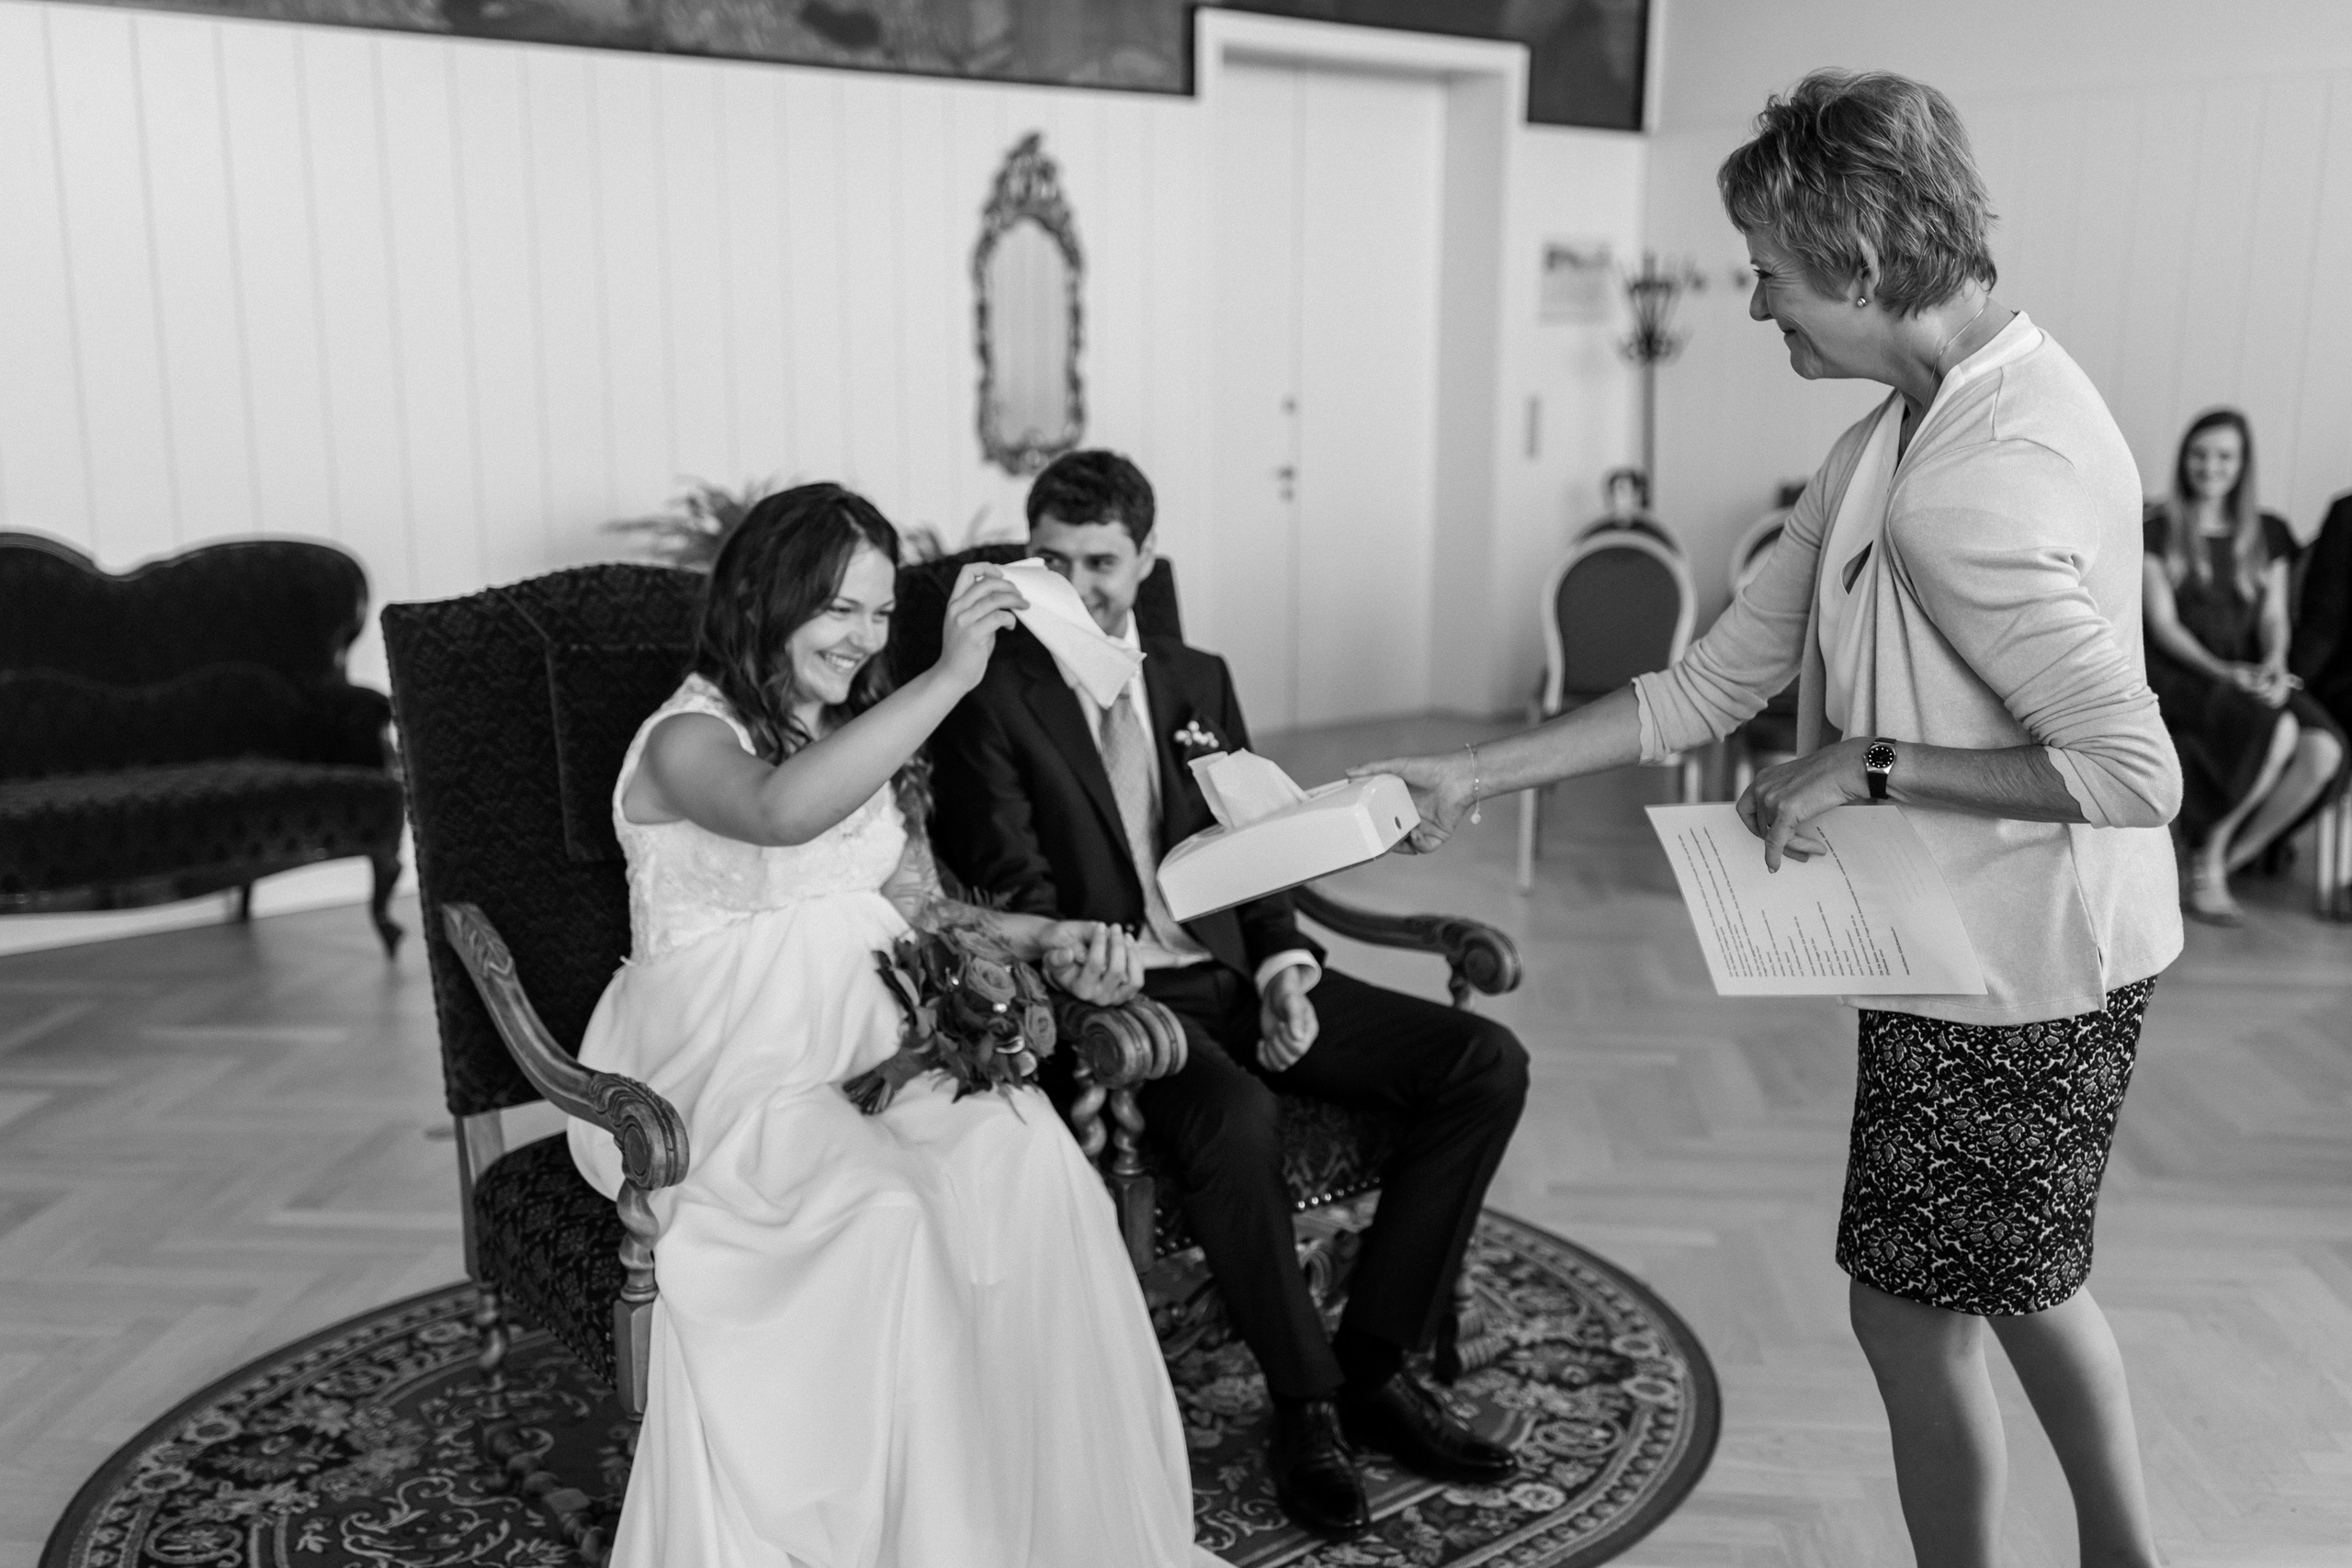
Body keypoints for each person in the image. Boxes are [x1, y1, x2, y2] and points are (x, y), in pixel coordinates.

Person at [1360, 72, 2179, 1568]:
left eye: (1773, 274)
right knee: (2008, 1287)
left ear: (1863, 266)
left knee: (1946, 1300)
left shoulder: (1972, 485)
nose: (1754, 307)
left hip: (2024, 967)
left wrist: (1868, 766)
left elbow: (2138, 772)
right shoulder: (1904, 433)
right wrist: (1467, 777)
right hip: (1966, 946)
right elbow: (1712, 681)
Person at [565, 483, 1227, 1568]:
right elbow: (783, 817)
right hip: (728, 1073)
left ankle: (1023, 1529)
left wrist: (1047, 934)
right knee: (888, 1220)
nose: (863, 637)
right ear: (763, 599)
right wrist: (949, 673)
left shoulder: (850, 731)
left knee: (1033, 1171)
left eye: (879, 614)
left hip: (877, 1046)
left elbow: (920, 908)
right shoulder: (687, 735)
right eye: (838, 609)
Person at [926, 450, 1528, 1540]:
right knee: (1233, 1115)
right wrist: (1076, 963)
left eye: (1099, 561)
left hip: (1227, 975)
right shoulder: (994, 695)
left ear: (1144, 559)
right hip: (1105, 1001)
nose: (1075, 584)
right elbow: (1008, 882)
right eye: (1049, 560)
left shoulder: (1195, 673)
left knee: (1482, 1065)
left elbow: (1260, 844)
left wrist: (1284, 970)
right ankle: (1306, 1407)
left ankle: (1373, 1369)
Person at [2143, 410, 2345, 923]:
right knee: (2277, 733)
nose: (2211, 467)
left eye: (2224, 456)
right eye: (2200, 454)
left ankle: (2222, 859)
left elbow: (2276, 616)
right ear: (2184, 458)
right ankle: (2207, 860)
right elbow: (2164, 627)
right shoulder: (2158, 526)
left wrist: (2277, 661)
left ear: (2242, 464)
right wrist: (2222, 672)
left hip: (2251, 669)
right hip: (2181, 671)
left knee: (2323, 752)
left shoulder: (2269, 531)